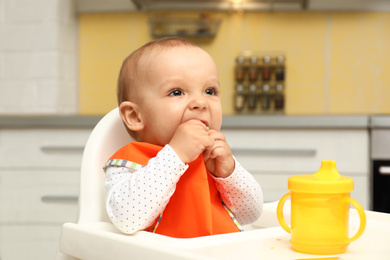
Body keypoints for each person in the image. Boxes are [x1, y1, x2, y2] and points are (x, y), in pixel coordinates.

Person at [104, 37, 263, 238]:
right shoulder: (129, 163)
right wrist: (176, 155)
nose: (200, 102)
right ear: (135, 116)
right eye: (177, 92)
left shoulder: (210, 159)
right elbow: (127, 219)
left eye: (210, 91)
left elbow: (250, 214)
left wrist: (229, 174)